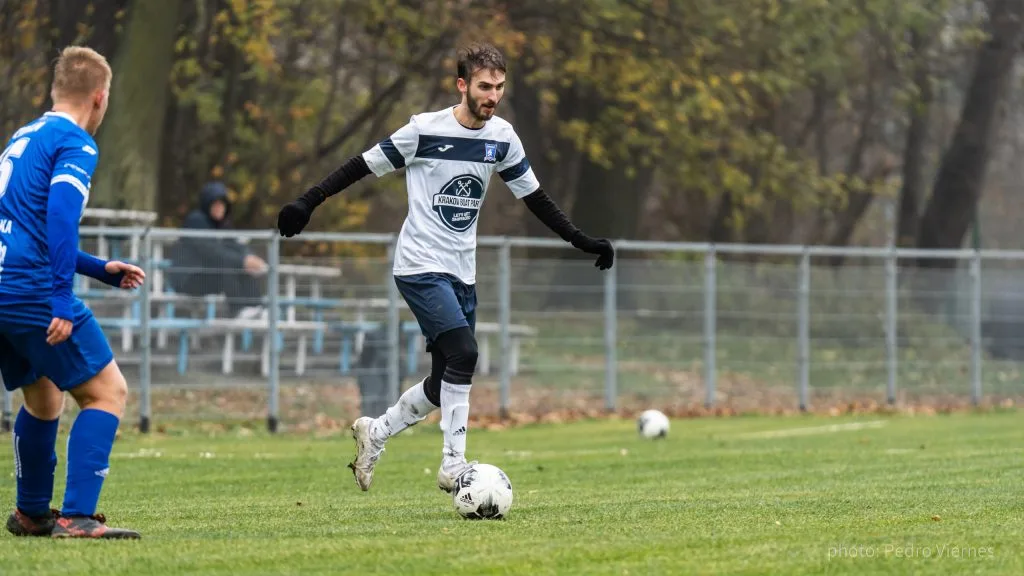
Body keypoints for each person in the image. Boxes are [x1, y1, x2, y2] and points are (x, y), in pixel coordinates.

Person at [277, 43, 614, 493]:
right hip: (419, 265)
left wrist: (580, 239)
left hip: (462, 272)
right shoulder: (424, 131)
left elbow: (535, 198)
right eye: (484, 86)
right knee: (466, 354)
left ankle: (375, 432)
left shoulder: (502, 138)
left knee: (443, 383)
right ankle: (453, 466)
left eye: (499, 87)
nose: (493, 96)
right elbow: (361, 166)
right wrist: (308, 201)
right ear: (462, 85)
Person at [0, 46, 144, 538]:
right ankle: (77, 517)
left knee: (43, 397)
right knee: (107, 392)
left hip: (4, 288)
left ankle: (31, 514)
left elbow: (27, 229)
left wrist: (99, 269)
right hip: (32, 290)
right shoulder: (76, 143)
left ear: (55, 90)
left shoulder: (24, 137)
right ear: (100, 98)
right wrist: (61, 299)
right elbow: (60, 219)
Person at [168, 181, 268, 318]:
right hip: (189, 278)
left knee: (241, 266)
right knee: (227, 264)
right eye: (215, 204)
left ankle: (256, 307)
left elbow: (236, 246)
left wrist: (249, 257)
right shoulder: (196, 220)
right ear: (207, 205)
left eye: (222, 204)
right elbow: (212, 252)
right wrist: (242, 261)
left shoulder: (223, 224)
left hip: (209, 274)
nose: (219, 208)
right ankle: (239, 310)